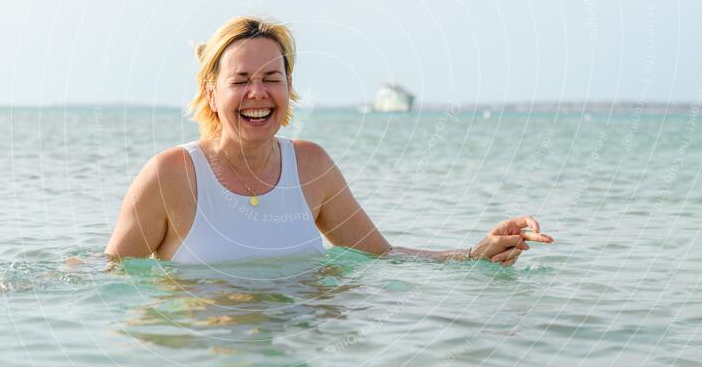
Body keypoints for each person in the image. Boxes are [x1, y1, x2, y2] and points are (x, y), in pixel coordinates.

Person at [105, 16, 554, 265]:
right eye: (240, 79)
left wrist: (476, 254)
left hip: (300, 359)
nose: (257, 93)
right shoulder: (170, 176)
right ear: (210, 92)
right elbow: (109, 276)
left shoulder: (311, 166)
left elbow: (383, 256)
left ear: (288, 88)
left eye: (271, 78)